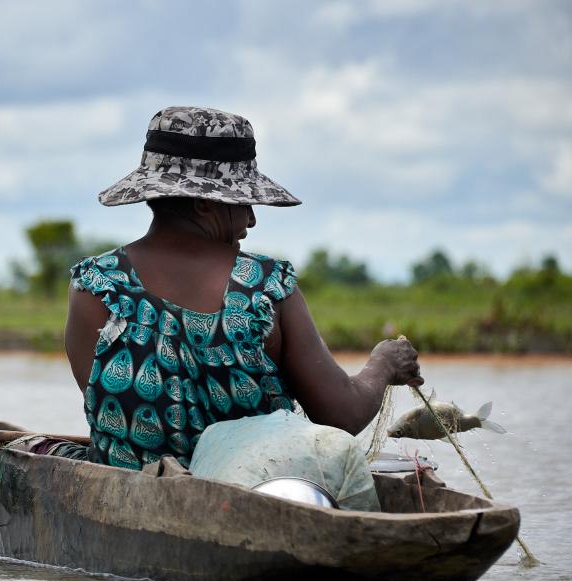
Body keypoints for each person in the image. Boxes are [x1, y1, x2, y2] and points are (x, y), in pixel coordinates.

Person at [62, 106, 422, 469]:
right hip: (262, 499)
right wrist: (384, 365)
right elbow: (341, 415)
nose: (250, 219)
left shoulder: (96, 287)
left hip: (128, 499)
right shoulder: (266, 286)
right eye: (242, 202)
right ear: (204, 202)